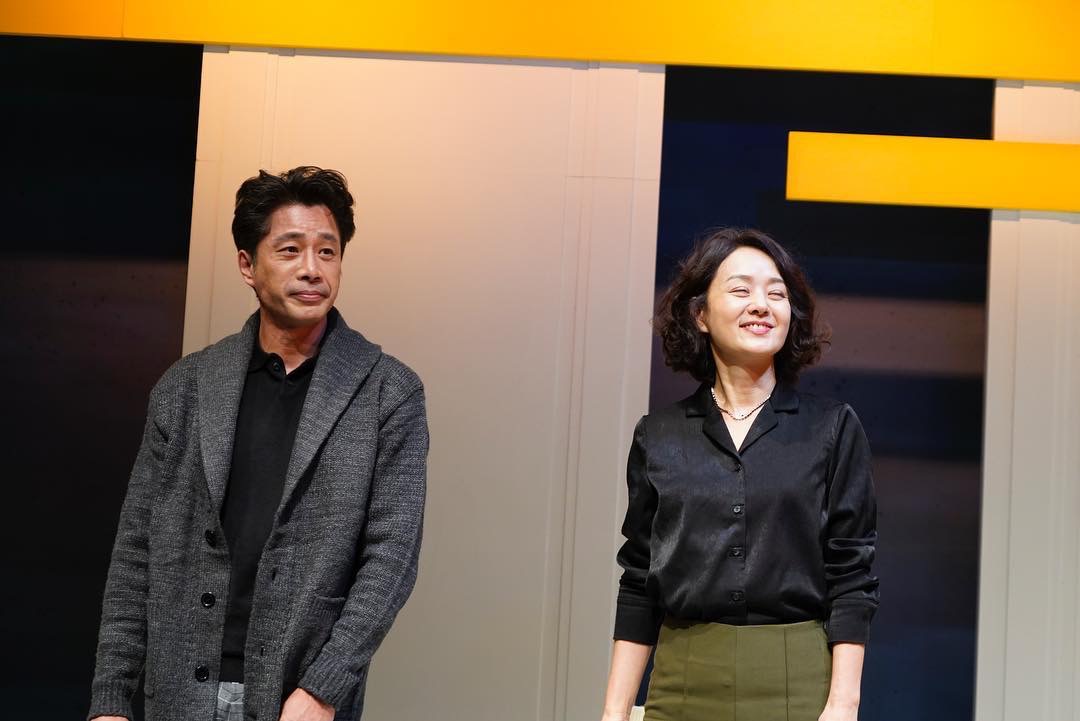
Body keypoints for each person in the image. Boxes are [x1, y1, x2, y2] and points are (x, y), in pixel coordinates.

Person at [88, 167, 428, 721]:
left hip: (298, 698)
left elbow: (391, 559)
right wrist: (110, 698)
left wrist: (324, 687)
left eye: (327, 251)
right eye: (290, 250)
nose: (312, 269)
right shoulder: (187, 387)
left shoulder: (387, 392)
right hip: (177, 694)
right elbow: (136, 550)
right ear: (248, 264)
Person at [601, 228, 878, 721]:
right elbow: (640, 577)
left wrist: (844, 702)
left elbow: (852, 572)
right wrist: (614, 711)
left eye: (776, 294)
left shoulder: (831, 427)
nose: (761, 305)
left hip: (797, 681)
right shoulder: (659, 435)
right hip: (682, 682)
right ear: (700, 315)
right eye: (740, 290)